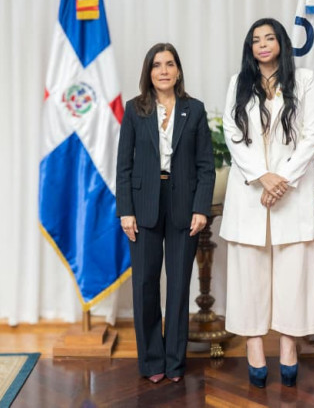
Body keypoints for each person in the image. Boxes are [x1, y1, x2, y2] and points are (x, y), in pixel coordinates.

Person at [220, 18, 314, 388]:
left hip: (291, 192)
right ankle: (253, 345)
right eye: (255, 40)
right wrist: (262, 176)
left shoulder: (305, 80)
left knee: (293, 273)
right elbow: (233, 136)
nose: (262, 44)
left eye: (269, 38)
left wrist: (281, 179)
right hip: (250, 190)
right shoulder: (238, 83)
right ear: (250, 49)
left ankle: (288, 346)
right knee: (249, 273)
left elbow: (312, 135)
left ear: (281, 42)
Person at [116, 43, 215, 384]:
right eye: (157, 65)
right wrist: (125, 211)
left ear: (178, 70)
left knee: (177, 288)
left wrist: (201, 208)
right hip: (142, 208)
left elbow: (206, 166)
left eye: (169, 64)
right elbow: (123, 166)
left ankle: (174, 362)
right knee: (144, 285)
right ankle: (152, 362)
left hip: (184, 209)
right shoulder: (134, 110)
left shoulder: (195, 110)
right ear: (148, 72)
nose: (163, 70)